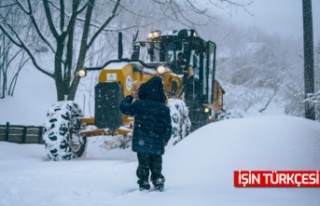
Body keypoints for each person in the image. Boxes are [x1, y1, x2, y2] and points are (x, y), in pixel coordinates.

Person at [119, 76, 172, 191]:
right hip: (157, 141)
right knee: (156, 163)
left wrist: (129, 98)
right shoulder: (164, 108)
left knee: (143, 163)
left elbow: (124, 108)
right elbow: (168, 126)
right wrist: (166, 139)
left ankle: (143, 182)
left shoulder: (139, 104)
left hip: (142, 141)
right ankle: (157, 180)